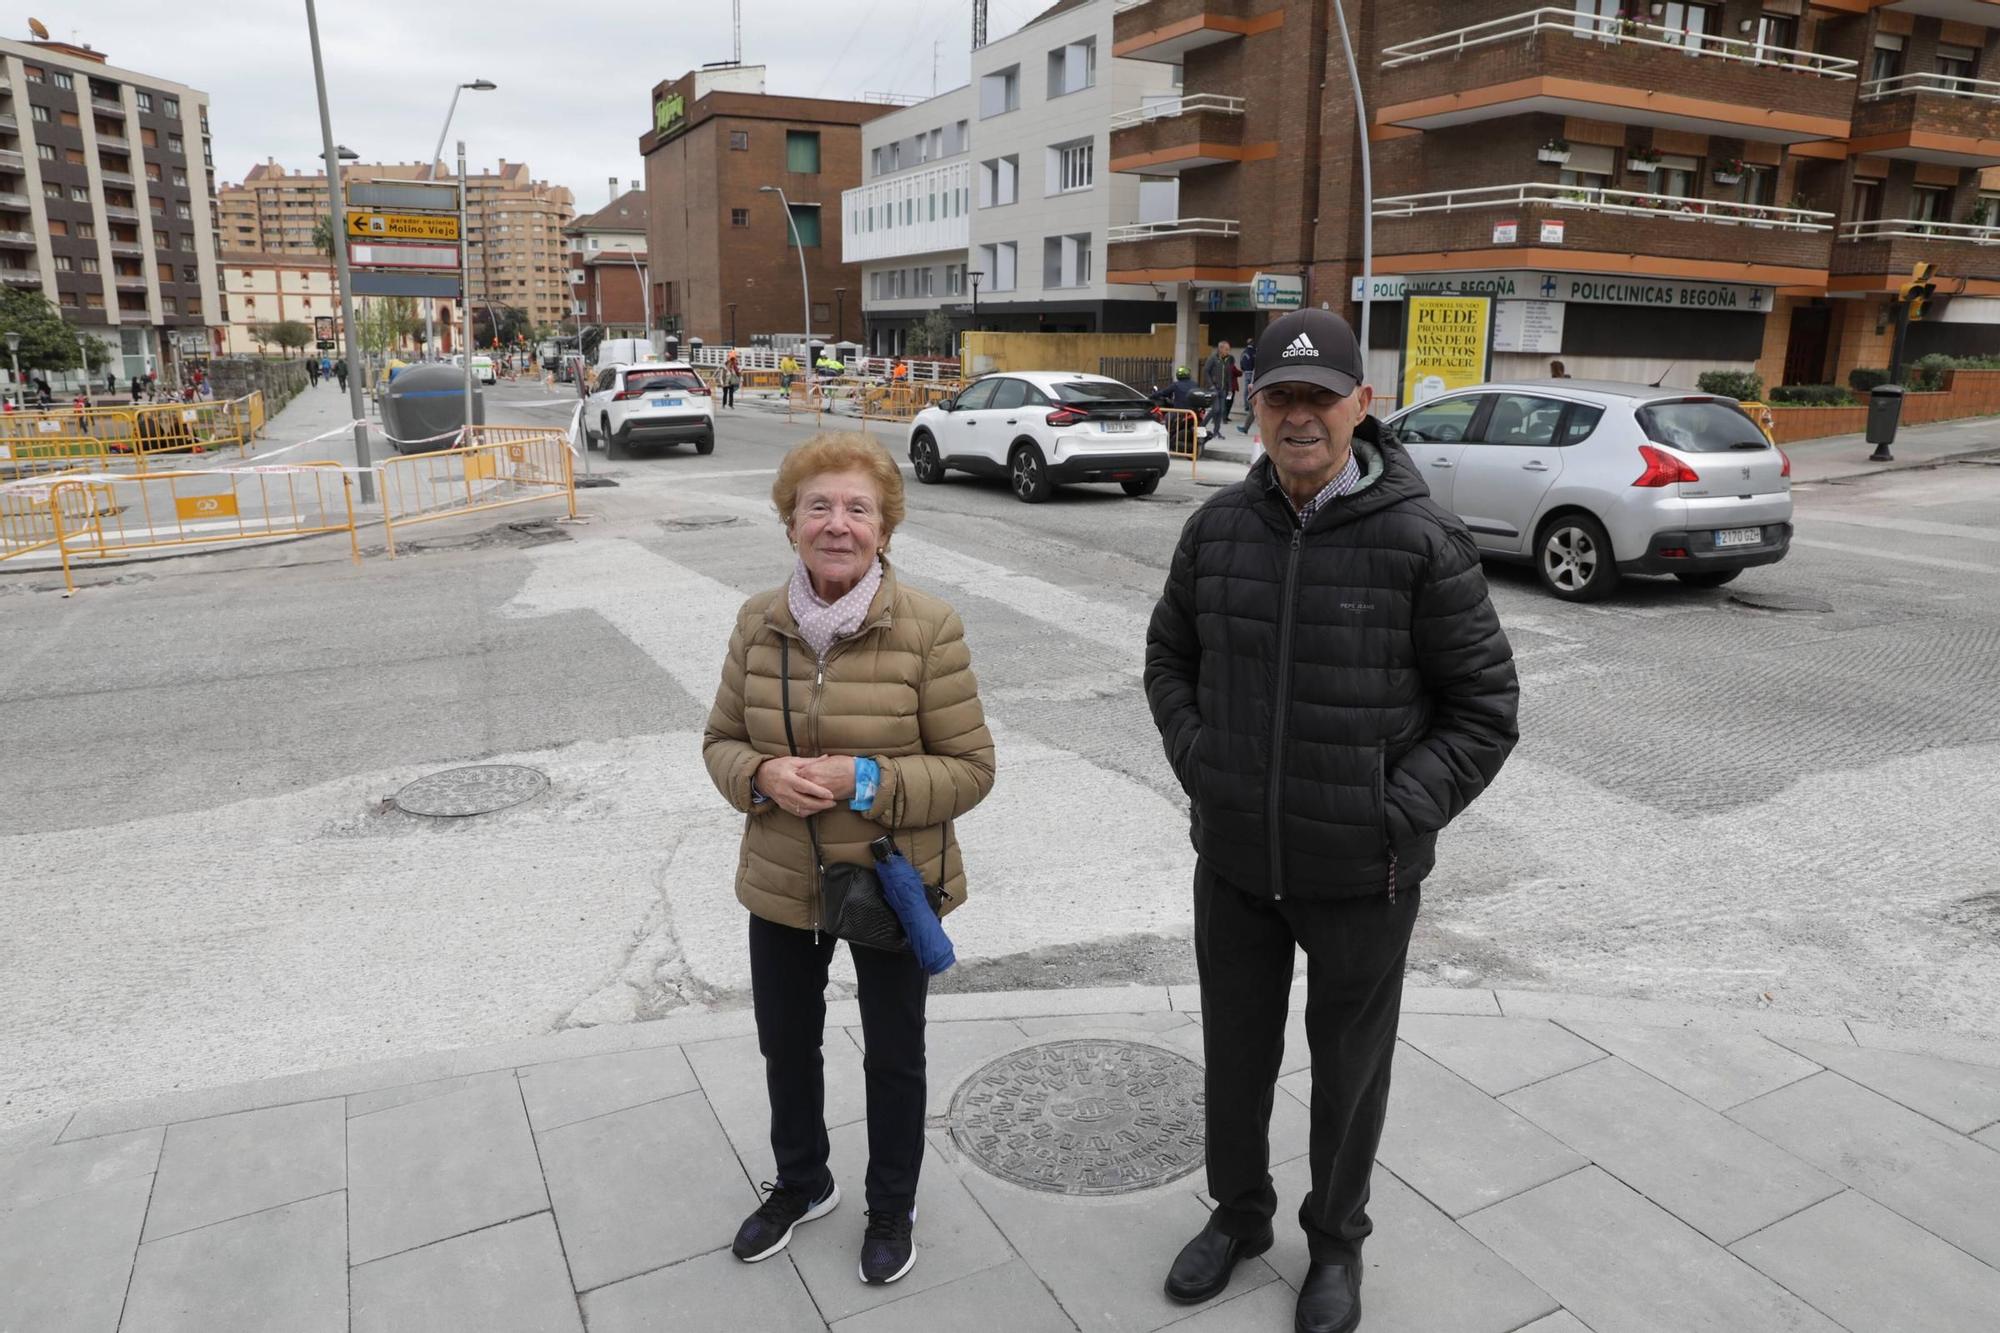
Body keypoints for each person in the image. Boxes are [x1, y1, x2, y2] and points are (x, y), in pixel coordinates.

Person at [1145, 307, 1519, 1333]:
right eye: (1278, 397)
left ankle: (1335, 1243)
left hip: (1363, 872)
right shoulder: (1216, 528)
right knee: (1234, 1050)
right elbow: (1168, 660)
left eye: (1319, 396)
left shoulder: (1420, 538)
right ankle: (1237, 1214)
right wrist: (1202, 762)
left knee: (1351, 1067)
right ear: (1250, 406)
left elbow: (1484, 711)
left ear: (1362, 403)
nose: (1298, 416)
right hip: (1233, 859)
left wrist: (1390, 812)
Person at [704, 433, 996, 1288]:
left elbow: (973, 769)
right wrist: (758, 774)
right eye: (818, 506)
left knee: (893, 1053)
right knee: (785, 1045)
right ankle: (803, 1180)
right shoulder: (757, 620)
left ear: (884, 527)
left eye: (857, 509)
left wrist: (868, 778)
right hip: (782, 878)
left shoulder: (930, 627)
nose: (837, 524)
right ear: (791, 522)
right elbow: (720, 739)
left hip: (889, 879)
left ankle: (891, 1206)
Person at [1200, 340, 1233, 443]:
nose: (1228, 351)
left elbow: (1228, 375)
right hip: (1214, 389)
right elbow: (1205, 371)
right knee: (1216, 409)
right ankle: (1201, 426)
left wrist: (1230, 389)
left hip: (1223, 389)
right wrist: (1211, 385)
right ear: (1221, 349)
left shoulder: (1227, 360)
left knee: (1221, 410)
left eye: (1229, 349)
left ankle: (1216, 432)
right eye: (1226, 349)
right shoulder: (1213, 359)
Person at [1238, 338, 1257, 434]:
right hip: (1256, 382)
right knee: (1254, 409)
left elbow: (1242, 361)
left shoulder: (1246, 352)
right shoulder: (1255, 352)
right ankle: (1245, 428)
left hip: (1254, 380)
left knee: (1254, 408)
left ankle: (1245, 428)